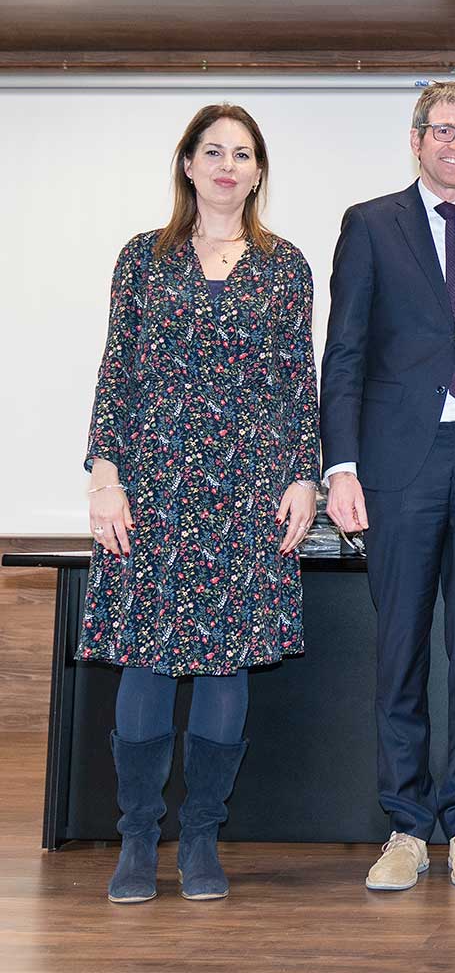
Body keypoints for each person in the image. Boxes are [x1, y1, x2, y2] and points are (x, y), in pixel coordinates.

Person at [80, 104, 319, 904]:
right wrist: (105, 477)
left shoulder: (285, 267)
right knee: (146, 659)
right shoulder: (142, 258)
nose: (226, 165)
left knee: (226, 663)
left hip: (247, 489)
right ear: (187, 164)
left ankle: (202, 839)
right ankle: (137, 839)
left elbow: (297, 381)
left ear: (258, 172)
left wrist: (303, 476)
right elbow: (117, 373)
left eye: (242, 154)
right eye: (212, 151)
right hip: (151, 488)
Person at [320, 81, 455, 892]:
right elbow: (345, 352)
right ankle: (406, 827)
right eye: (444, 131)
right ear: (417, 140)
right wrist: (341, 466)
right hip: (396, 465)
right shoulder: (372, 224)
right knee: (401, 648)